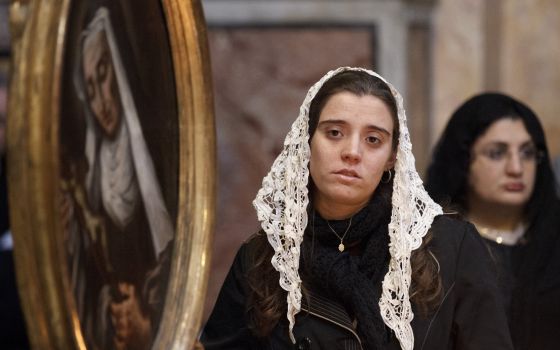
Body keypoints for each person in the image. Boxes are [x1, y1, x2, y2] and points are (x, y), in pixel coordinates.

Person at [201, 68, 513, 349]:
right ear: (307, 143)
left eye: (373, 139)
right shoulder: (263, 257)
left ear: (392, 157)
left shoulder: (448, 248)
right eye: (334, 133)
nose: (352, 152)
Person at [61, 7, 174, 349]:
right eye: (90, 88)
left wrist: (146, 318)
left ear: (121, 67)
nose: (100, 102)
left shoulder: (159, 155)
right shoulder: (88, 182)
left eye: (104, 74)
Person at [425, 92, 560, 349]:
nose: (516, 168)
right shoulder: (433, 243)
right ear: (464, 160)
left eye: (528, 153)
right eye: (497, 153)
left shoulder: (554, 234)